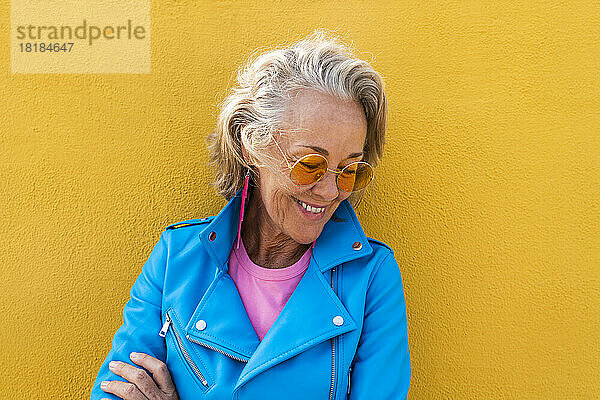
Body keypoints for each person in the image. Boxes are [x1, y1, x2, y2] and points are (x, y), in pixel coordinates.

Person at [90, 29, 411, 400]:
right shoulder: (176, 258)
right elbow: (117, 389)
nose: (329, 191)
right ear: (250, 145)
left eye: (350, 170)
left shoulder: (371, 277)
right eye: (309, 164)